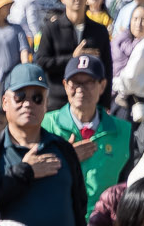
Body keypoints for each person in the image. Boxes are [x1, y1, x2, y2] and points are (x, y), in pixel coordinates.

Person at [0, 62, 85, 226]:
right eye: (20, 96)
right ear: (4, 102)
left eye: (37, 97)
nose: (28, 103)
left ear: (46, 103)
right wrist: (24, 173)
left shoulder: (63, 149)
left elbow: (79, 208)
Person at [42, 53, 133, 216]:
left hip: (106, 225)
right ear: (64, 85)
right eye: (75, 82)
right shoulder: (46, 125)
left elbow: (128, 185)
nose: (80, 89)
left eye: (89, 82)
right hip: (59, 219)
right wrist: (66, 158)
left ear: (102, 85)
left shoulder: (123, 131)